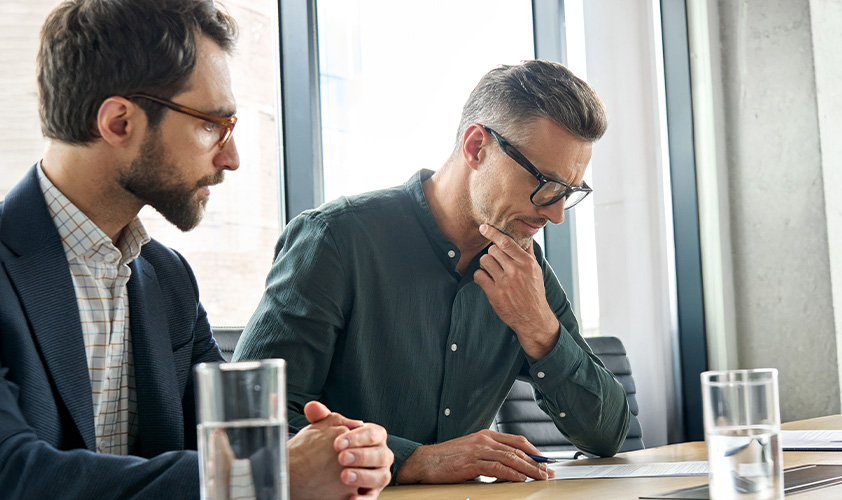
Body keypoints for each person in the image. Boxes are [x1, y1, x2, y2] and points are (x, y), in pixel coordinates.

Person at [0, 1, 390, 499]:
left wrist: (342, 455)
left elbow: (223, 450)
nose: (231, 159)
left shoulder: (167, 279)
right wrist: (266, 477)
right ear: (119, 122)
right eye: (212, 124)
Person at [235, 60, 631, 484]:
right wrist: (416, 459)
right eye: (546, 184)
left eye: (568, 193)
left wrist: (539, 328)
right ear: (477, 147)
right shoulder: (335, 240)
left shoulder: (525, 269)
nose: (555, 216)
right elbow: (249, 421)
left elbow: (606, 435)